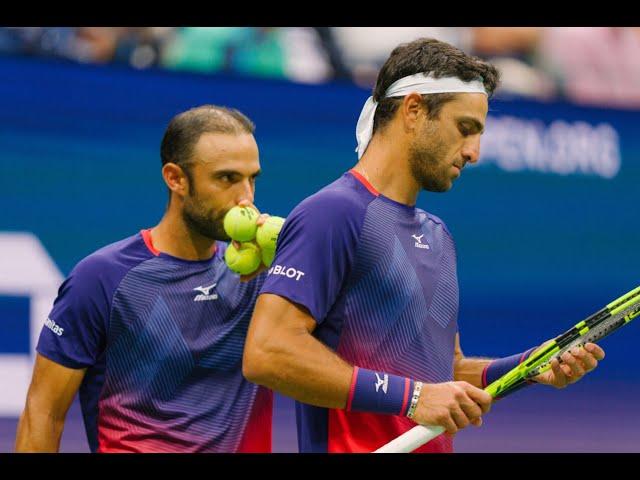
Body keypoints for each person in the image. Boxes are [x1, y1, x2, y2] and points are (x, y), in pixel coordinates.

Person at [242, 38, 606, 453]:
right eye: (464, 129)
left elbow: (443, 372)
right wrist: (413, 398)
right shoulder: (333, 213)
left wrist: (527, 367)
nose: (473, 152)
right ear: (413, 111)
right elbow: (268, 352)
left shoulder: (437, 235)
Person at [15, 105, 272, 453]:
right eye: (227, 178)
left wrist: (288, 277)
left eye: (251, 178)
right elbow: (43, 413)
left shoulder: (265, 277)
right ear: (175, 178)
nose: (246, 198)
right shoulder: (101, 278)